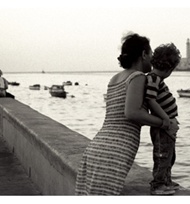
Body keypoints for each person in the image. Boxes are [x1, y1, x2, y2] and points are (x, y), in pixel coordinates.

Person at [75, 33, 173, 195]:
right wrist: (163, 123)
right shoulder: (138, 77)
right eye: (150, 54)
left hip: (97, 146)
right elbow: (132, 113)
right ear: (143, 54)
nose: (152, 59)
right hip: (117, 147)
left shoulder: (115, 78)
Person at [145, 43, 181, 195]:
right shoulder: (153, 79)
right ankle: (158, 185)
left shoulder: (157, 79)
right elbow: (151, 100)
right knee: (162, 155)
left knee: (170, 155)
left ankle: (166, 180)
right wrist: (166, 118)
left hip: (167, 124)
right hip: (162, 127)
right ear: (170, 68)